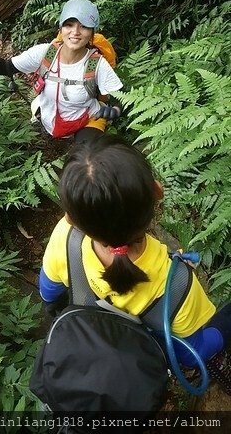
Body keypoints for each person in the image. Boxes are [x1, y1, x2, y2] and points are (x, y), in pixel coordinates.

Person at [39, 136, 231, 390]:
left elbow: (48, 291)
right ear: (157, 191)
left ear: (71, 217)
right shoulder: (176, 284)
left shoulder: (66, 238)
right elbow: (190, 353)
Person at [0, 0, 123, 142]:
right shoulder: (45, 53)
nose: (75, 32)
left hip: (88, 120)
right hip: (50, 120)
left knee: (86, 153)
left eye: (84, 26)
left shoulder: (97, 64)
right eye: (69, 25)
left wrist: (115, 110)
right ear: (61, 29)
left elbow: (121, 97)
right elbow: (6, 68)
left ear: (92, 33)